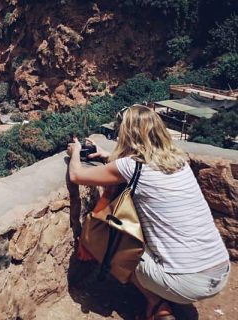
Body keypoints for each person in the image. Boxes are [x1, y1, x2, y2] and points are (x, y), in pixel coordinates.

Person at [67, 105, 230, 320]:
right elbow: (140, 167)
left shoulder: (132, 166)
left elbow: (78, 175)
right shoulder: (179, 161)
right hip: (220, 271)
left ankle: (157, 304)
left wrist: (76, 152)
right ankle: (163, 301)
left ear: (127, 132)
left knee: (111, 241)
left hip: (188, 283)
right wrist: (107, 155)